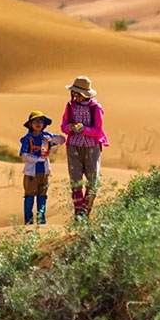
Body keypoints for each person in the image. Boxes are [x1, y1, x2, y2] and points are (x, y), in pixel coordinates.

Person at [61, 76, 109, 217]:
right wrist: (69, 127)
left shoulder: (96, 108)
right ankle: (78, 213)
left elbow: (98, 131)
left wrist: (84, 129)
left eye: (78, 94)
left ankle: (86, 212)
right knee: (75, 182)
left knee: (93, 181)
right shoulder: (70, 106)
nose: (75, 96)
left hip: (91, 147)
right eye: (74, 93)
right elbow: (63, 126)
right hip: (73, 146)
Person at [19, 111, 65, 225]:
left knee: (42, 197)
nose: (38, 123)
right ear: (30, 124)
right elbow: (24, 155)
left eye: (41, 121)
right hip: (31, 173)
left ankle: (41, 221)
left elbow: (62, 140)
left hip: (45, 172)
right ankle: (28, 222)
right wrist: (38, 159)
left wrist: (52, 139)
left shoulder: (47, 137)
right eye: (35, 121)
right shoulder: (27, 138)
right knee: (29, 197)